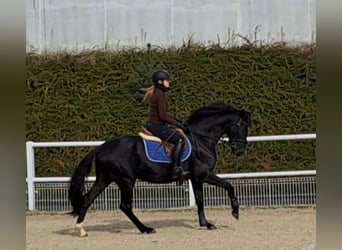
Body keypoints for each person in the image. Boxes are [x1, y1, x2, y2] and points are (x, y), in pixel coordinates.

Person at [142, 69, 188, 180]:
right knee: (180, 140)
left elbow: (164, 114)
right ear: (160, 82)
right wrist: (177, 124)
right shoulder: (159, 95)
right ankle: (176, 168)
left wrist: (178, 120)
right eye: (167, 80)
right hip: (156, 126)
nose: (169, 82)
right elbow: (162, 116)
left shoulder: (158, 93)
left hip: (155, 124)